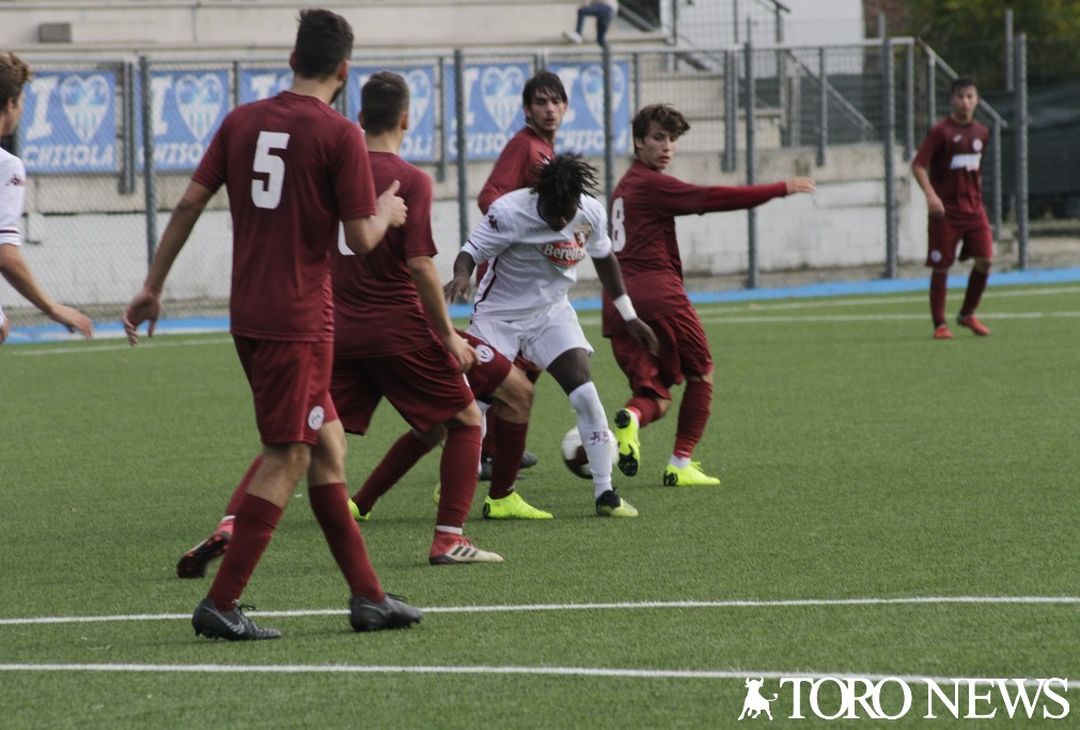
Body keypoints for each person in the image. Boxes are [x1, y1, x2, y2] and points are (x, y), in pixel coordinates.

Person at [123, 9, 421, 640]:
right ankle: (221, 603)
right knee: (288, 453)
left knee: (328, 447)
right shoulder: (339, 133)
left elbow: (190, 200)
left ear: (292, 59)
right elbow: (360, 238)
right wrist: (388, 211)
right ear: (345, 70)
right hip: (299, 320)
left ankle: (369, 596)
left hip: (250, 313)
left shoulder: (242, 119)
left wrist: (153, 285)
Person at [604, 104, 815, 487]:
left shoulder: (624, 187)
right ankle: (680, 462)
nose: (667, 147)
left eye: (672, 139)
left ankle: (629, 419)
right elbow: (712, 197)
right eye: (658, 138)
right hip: (659, 296)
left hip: (620, 305)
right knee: (701, 372)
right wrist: (778, 189)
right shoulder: (652, 185)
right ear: (638, 141)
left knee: (655, 394)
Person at [445, 153, 658, 518]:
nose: (560, 220)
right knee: (476, 405)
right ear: (538, 196)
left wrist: (629, 315)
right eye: (552, 212)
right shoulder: (509, 212)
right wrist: (462, 276)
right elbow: (470, 252)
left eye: (566, 211)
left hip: (551, 313)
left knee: (585, 393)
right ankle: (460, 484)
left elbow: (605, 258)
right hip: (499, 316)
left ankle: (605, 493)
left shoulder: (590, 212)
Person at [470, 70, 570, 485]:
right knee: (504, 368)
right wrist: (522, 233)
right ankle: (480, 448)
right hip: (506, 279)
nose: (549, 109)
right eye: (540, 102)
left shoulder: (545, 150)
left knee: (526, 366)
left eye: (555, 101)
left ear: (565, 107)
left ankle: (499, 445)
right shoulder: (524, 146)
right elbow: (489, 197)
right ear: (527, 109)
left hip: (530, 283)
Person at [0, 52, 94, 346]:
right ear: (11, 103)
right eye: (22, 102)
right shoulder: (6, 166)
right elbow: (5, 253)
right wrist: (51, 307)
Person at [912, 76, 993, 339]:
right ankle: (940, 325)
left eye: (970, 97)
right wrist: (931, 195)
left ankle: (967, 313)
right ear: (952, 100)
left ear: (977, 100)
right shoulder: (941, 132)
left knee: (986, 260)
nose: (965, 102)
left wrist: (977, 196)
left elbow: (976, 171)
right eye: (960, 97)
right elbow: (918, 165)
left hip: (974, 211)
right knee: (942, 266)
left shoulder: (982, 132)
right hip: (945, 213)